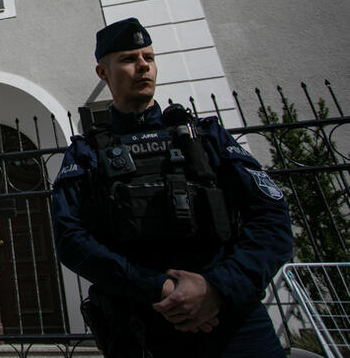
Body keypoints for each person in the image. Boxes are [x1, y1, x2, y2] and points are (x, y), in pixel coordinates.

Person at [51, 18, 293, 357]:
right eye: (128, 59)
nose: (142, 67)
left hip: (232, 322)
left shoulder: (207, 138)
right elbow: (70, 239)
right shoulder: (88, 152)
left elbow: (273, 220)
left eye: (148, 58)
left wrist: (217, 289)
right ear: (103, 73)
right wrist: (160, 289)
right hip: (141, 324)